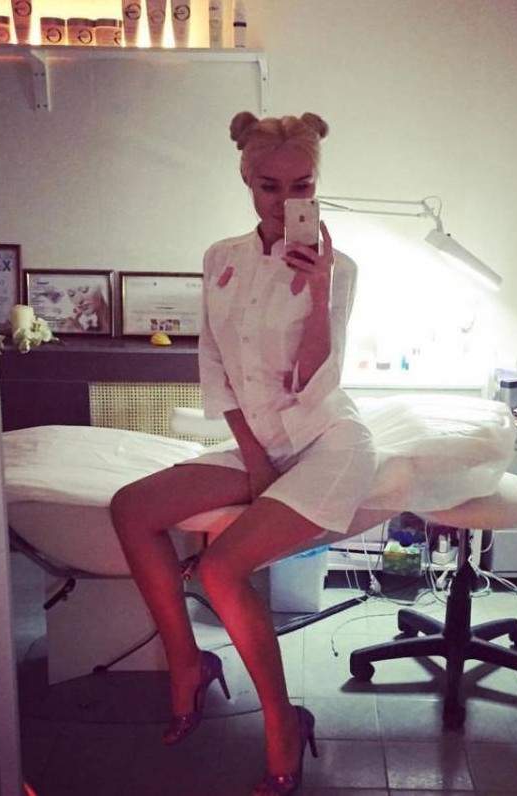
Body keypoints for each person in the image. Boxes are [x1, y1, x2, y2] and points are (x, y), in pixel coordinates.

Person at [110, 111, 376, 795]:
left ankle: (282, 722)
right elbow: (214, 364)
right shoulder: (220, 259)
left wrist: (318, 290)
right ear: (246, 181)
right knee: (131, 507)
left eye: (302, 186)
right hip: (261, 439)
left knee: (222, 570)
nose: (285, 202)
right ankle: (188, 664)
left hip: (327, 440)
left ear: (317, 184)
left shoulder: (339, 268)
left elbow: (314, 383)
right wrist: (254, 458)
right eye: (268, 186)